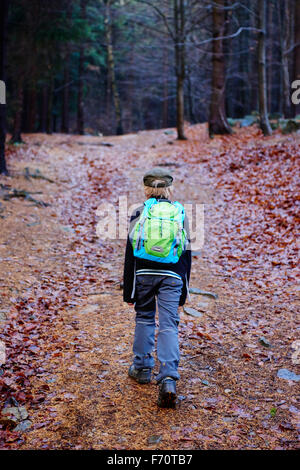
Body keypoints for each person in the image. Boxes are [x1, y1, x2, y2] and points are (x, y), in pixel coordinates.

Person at [123, 167, 192, 408]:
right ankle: (169, 378)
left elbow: (130, 254)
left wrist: (128, 290)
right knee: (168, 324)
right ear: (169, 188)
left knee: (144, 318)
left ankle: (142, 368)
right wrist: (184, 290)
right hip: (172, 275)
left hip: (143, 274)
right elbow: (187, 254)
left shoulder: (139, 212)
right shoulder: (179, 212)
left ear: (146, 188)